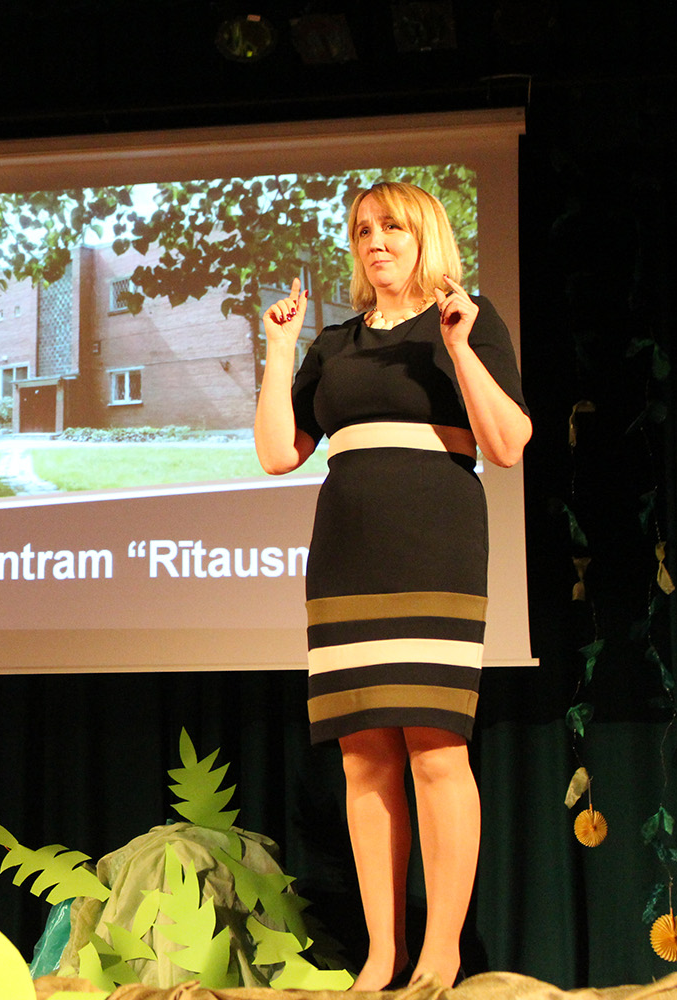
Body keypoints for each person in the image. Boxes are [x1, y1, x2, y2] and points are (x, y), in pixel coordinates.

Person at [253, 181, 531, 990]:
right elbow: (277, 454)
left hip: (434, 548)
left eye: (392, 227)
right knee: (365, 759)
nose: (375, 241)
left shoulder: (466, 318)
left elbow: (507, 444)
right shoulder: (334, 344)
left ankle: (441, 950)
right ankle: (384, 954)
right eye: (363, 230)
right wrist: (280, 351)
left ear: (425, 236)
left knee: (436, 749)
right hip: (346, 555)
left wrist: (462, 347)